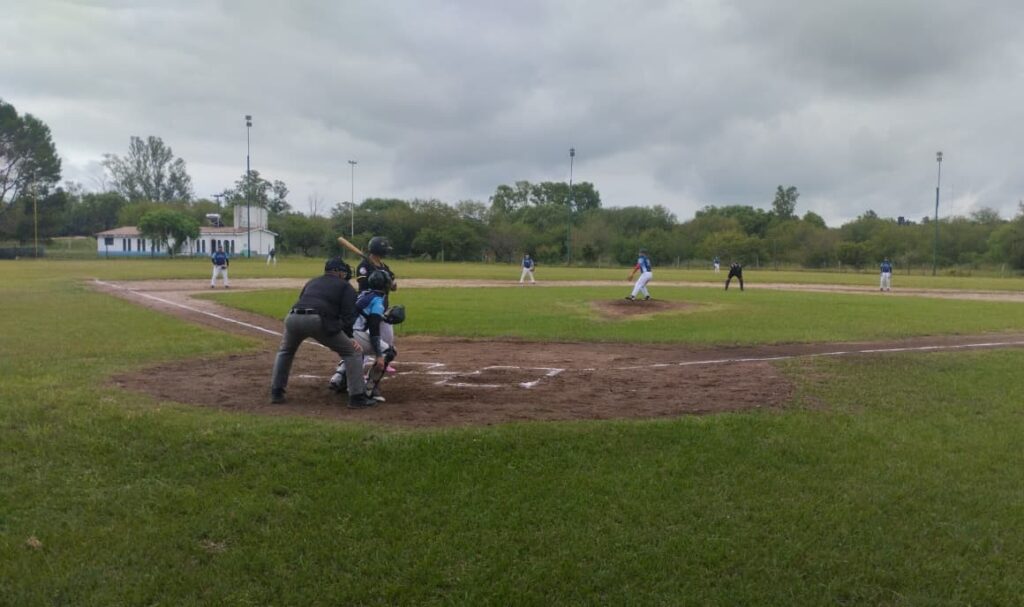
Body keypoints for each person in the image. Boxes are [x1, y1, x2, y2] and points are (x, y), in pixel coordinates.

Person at [269, 257, 376, 408]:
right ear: (338, 272)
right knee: (353, 353)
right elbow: (348, 317)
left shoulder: (312, 282)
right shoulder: (345, 287)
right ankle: (357, 398)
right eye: (343, 272)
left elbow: (303, 299)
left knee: (285, 351)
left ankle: (276, 392)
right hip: (317, 320)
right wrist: (350, 338)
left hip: (292, 318)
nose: (345, 275)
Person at [329, 270, 398, 402]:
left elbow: (361, 313)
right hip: (353, 333)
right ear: (385, 285)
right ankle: (369, 389)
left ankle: (340, 379)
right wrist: (379, 355)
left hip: (340, 332)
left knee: (357, 352)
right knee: (389, 352)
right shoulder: (378, 300)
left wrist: (384, 317)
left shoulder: (364, 294)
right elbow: (374, 330)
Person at [357, 236, 398, 373]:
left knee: (388, 338)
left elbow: (393, 285)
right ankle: (357, 367)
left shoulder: (384, 267)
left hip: (383, 307)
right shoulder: (364, 265)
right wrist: (376, 276)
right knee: (365, 340)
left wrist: (390, 283)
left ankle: (382, 363)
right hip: (368, 308)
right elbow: (363, 285)